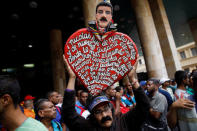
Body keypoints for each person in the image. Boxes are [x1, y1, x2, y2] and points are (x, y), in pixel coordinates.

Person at [62, 48, 150, 131]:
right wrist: (72, 78)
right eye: (98, 112)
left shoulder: (123, 122)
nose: (104, 115)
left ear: (111, 108)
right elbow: (68, 114)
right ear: (92, 115)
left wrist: (133, 79)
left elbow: (144, 106)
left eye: (106, 109)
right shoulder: (89, 128)